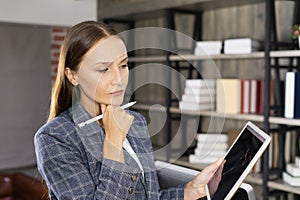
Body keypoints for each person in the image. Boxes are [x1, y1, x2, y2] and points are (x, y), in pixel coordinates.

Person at [34, 20, 225, 200]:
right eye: (104, 69)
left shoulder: (135, 121)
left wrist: (190, 191)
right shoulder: (55, 138)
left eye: (123, 65)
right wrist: (113, 143)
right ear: (72, 75)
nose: (119, 79)